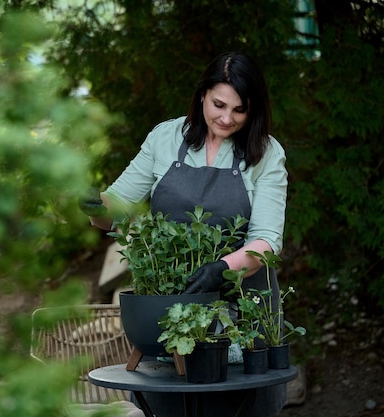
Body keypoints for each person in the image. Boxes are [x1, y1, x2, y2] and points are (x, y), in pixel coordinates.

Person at [79, 52, 288, 417]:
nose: (226, 118)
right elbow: (117, 209)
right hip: (171, 312)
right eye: (218, 105)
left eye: (239, 110)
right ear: (202, 95)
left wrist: (221, 268)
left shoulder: (266, 154)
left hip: (242, 316)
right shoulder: (165, 137)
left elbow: (267, 241)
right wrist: (93, 207)